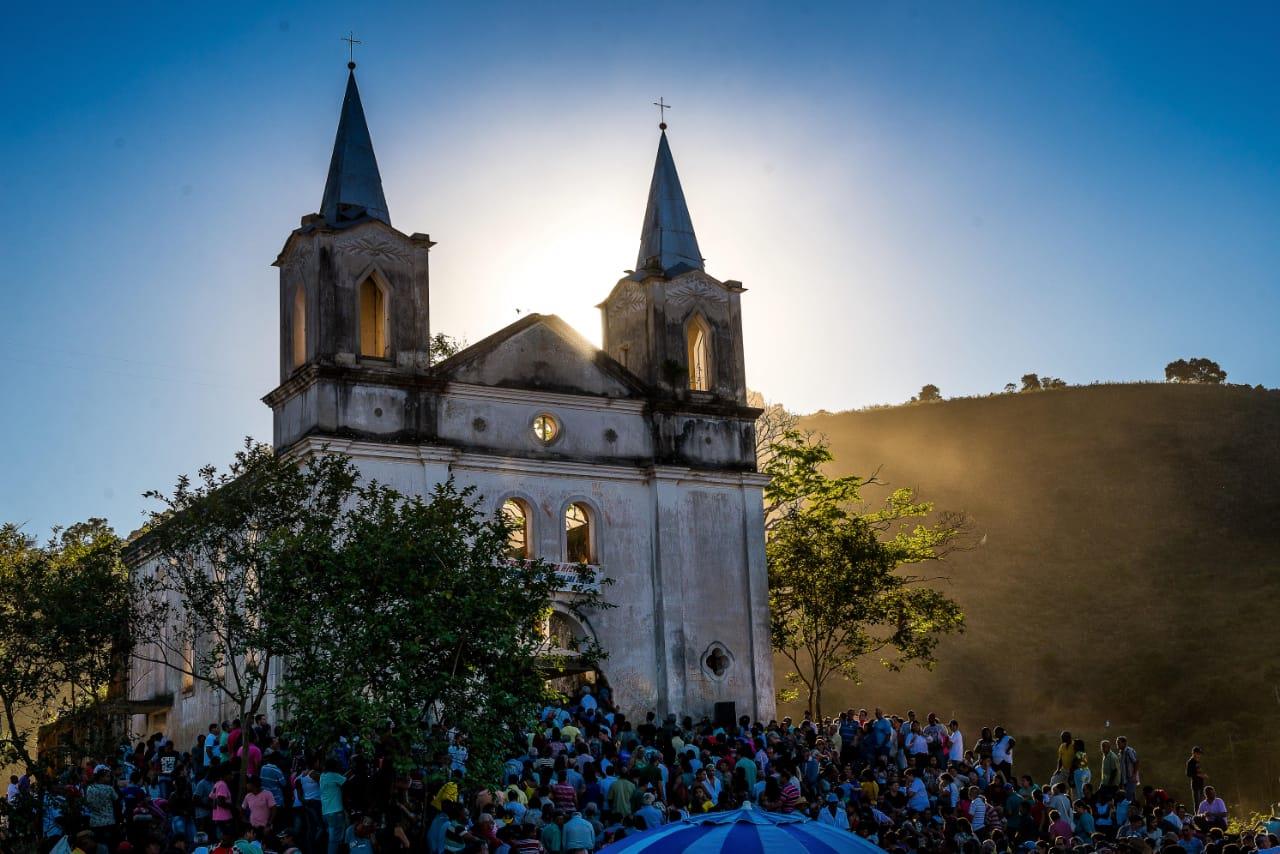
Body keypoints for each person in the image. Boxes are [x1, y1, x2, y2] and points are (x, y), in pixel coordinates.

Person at [318, 760, 348, 854]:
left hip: (325, 813)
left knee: (333, 839)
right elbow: (346, 781)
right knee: (334, 841)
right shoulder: (334, 775)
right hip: (335, 812)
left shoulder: (323, 776)